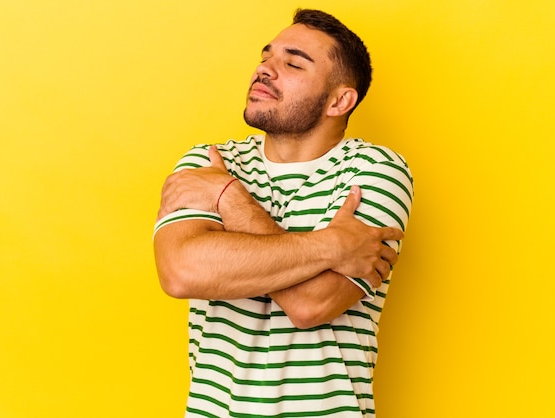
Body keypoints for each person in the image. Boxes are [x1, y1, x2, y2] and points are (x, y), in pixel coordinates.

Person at [153, 8, 414, 417]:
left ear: (340, 100)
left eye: (292, 63)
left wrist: (228, 200)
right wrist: (331, 245)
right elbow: (181, 271)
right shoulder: (209, 162)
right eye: (266, 57)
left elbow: (312, 303)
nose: (265, 70)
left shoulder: (375, 170)